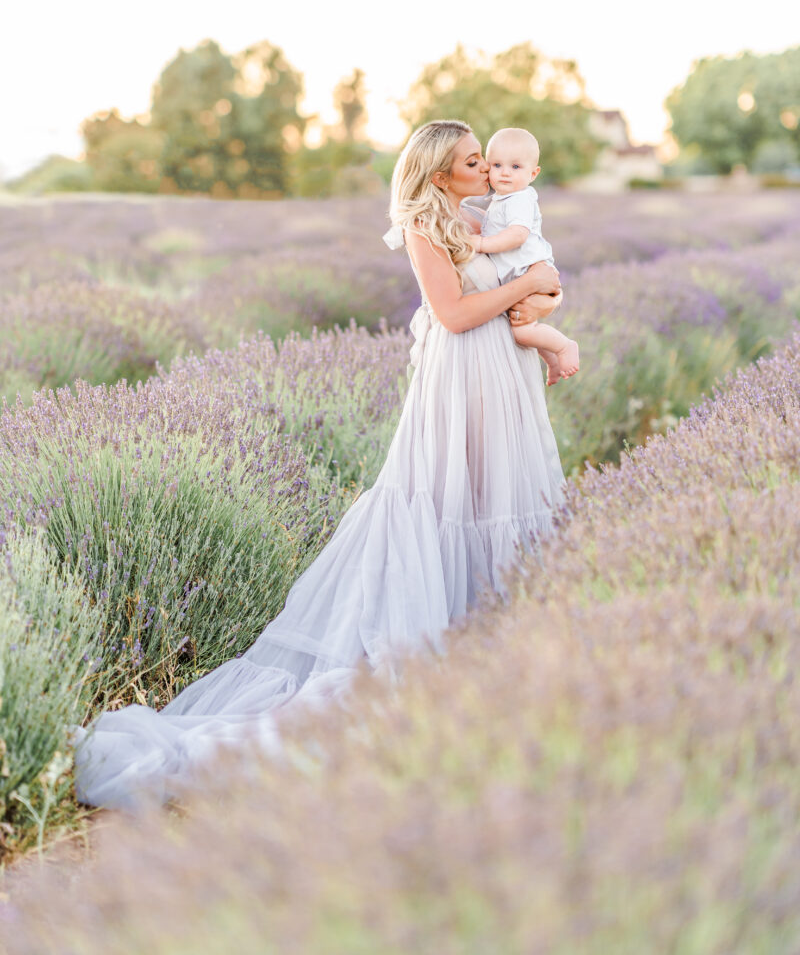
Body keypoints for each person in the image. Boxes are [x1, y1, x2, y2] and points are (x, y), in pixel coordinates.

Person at [72, 119, 565, 812]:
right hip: (459, 383)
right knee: (451, 504)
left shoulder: (480, 220)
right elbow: (453, 316)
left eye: (486, 160)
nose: (486, 169)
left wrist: (545, 310)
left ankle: (504, 658)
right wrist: (528, 290)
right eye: (472, 161)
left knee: (492, 502)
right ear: (436, 172)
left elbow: (534, 284)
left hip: (497, 380)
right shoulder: (425, 229)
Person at [468, 127, 579, 387]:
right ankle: (551, 360)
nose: (504, 172)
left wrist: (482, 243)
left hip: (526, 271)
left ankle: (564, 347)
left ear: (533, 173)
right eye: (497, 164)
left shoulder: (519, 200)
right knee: (526, 329)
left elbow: (517, 235)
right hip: (519, 274)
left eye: (515, 166)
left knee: (522, 332)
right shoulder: (503, 198)